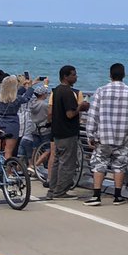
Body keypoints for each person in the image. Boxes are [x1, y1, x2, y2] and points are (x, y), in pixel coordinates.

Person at [83, 63, 128, 206]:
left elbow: (93, 115)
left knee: (99, 163)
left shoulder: (101, 91)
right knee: (120, 165)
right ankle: (117, 196)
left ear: (110, 75)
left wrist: (90, 135)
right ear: (123, 75)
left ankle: (96, 196)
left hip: (103, 135)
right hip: (123, 135)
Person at [44, 65, 89, 200]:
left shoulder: (56, 90)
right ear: (66, 76)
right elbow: (70, 114)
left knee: (58, 161)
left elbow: (52, 112)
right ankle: (60, 192)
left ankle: (53, 189)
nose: (76, 77)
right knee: (67, 163)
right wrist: (81, 107)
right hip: (67, 132)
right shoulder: (68, 92)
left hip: (57, 131)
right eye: (73, 75)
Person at [0, 73, 35, 159]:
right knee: (8, 151)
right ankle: (8, 172)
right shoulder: (17, 99)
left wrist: (23, 88)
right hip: (12, 123)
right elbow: (26, 98)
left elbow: (13, 94)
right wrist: (30, 88)